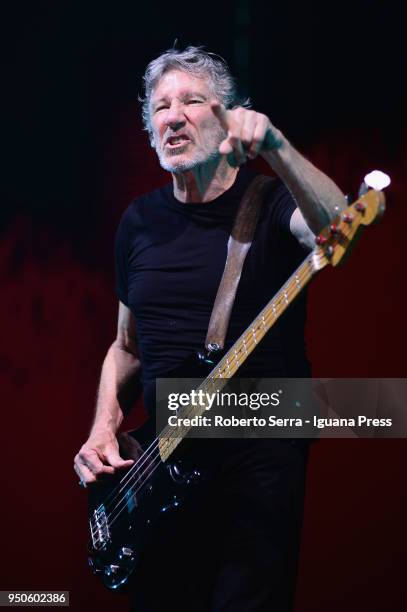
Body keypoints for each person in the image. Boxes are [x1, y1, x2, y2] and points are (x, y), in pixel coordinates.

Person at [74, 46, 346, 611]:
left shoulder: (268, 202)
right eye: (160, 106)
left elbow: (338, 226)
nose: (171, 115)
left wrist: (276, 147)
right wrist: (104, 426)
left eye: (191, 101)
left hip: (255, 456)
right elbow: (125, 348)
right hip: (161, 470)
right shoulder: (138, 222)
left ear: (231, 118)